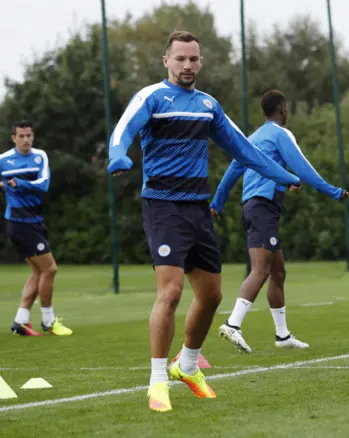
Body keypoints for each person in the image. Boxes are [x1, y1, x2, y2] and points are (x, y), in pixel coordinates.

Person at [108, 31, 301, 412]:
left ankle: (189, 365)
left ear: (201, 62)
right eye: (180, 58)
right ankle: (158, 380)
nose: (187, 65)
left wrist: (285, 175)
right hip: (163, 207)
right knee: (172, 291)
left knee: (212, 294)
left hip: (198, 209)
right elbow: (123, 130)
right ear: (166, 60)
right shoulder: (151, 97)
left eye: (193, 59)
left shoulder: (208, 105)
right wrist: (118, 156)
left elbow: (243, 149)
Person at [210, 89, 348, 353]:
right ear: (283, 109)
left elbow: (232, 172)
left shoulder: (251, 138)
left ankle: (283, 336)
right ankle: (232, 324)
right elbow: (303, 167)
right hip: (263, 207)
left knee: (278, 271)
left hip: (254, 207)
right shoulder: (281, 134)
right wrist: (333, 191)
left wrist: (217, 203)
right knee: (261, 270)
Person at [1, 121, 72, 337]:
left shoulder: (40, 156)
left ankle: (20, 321)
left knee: (38, 272)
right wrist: (5, 185)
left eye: (29, 135)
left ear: (33, 136)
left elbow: (43, 184)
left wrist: (17, 184)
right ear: (13, 138)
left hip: (35, 222)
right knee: (50, 269)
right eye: (21, 136)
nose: (26, 140)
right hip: (20, 223)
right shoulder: (4, 160)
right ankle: (48, 321)